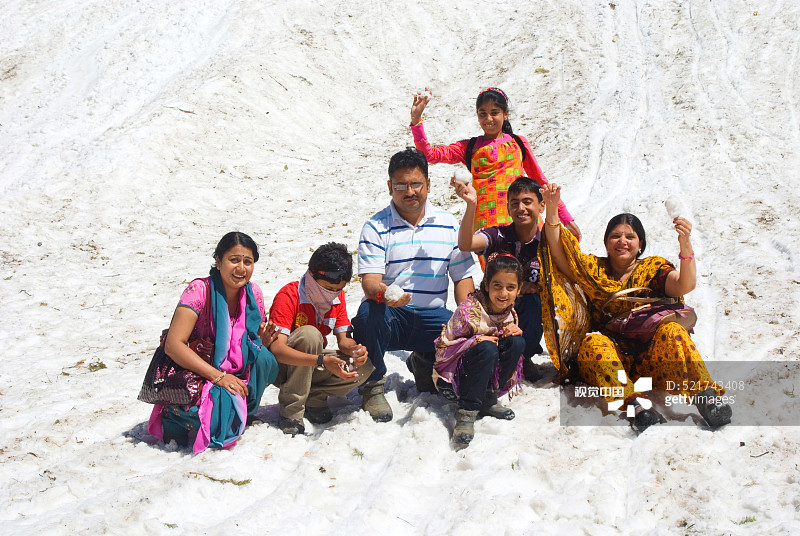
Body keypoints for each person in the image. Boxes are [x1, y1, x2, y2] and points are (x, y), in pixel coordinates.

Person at [540, 184, 732, 431]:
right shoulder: (592, 269)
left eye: (630, 237)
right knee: (592, 344)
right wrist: (553, 210)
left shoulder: (652, 268)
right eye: (615, 236)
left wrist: (685, 245)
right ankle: (637, 408)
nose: (622, 241)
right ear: (606, 242)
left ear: (640, 244)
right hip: (610, 363)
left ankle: (708, 400)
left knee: (673, 331)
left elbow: (685, 284)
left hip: (652, 360)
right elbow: (558, 253)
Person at [352, 147, 481, 422]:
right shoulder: (375, 226)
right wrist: (386, 294)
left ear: (428, 185)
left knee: (466, 330)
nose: (409, 191)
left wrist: (469, 315)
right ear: (390, 187)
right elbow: (370, 281)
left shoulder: (448, 224)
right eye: (401, 185)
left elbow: (461, 278)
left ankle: (425, 361)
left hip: (432, 317)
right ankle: (373, 386)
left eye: (416, 184)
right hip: (391, 315)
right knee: (367, 316)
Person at [148, 232, 279, 453]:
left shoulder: (253, 292)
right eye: (234, 260)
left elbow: (248, 341)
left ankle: (241, 410)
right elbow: (174, 344)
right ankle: (175, 417)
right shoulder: (199, 290)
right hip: (194, 373)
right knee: (218, 411)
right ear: (218, 261)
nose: (241, 268)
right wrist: (218, 377)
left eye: (248, 262)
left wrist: (262, 341)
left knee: (265, 359)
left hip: (232, 372)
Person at [409, 87, 581, 241]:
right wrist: (416, 121)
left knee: (535, 273)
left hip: (524, 219)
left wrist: (567, 219)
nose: (488, 118)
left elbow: (539, 181)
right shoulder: (469, 147)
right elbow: (429, 154)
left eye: (494, 112)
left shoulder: (518, 143)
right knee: (500, 276)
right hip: (487, 228)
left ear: (505, 114)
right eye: (482, 113)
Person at [268, 243, 373, 436]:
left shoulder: (336, 297)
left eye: (338, 289)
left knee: (366, 367)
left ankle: (314, 398)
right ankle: (291, 412)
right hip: (284, 367)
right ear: (312, 274)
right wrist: (321, 361)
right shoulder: (289, 295)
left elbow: (344, 340)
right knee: (310, 335)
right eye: (327, 287)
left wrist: (355, 351)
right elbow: (277, 350)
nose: (332, 293)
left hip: (313, 362)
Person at [453, 175, 546, 380]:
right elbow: (466, 244)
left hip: (525, 313)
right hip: (493, 311)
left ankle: (524, 357)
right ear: (508, 208)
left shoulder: (547, 243)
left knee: (534, 303)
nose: (521, 208)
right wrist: (471, 206)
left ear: (541, 206)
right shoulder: (497, 235)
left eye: (527, 202)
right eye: (515, 203)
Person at [434, 254, 526, 449]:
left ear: (518, 290)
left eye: (511, 287)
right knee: (486, 348)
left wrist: (513, 332)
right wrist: (474, 341)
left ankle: (489, 398)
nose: (503, 293)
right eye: (497, 286)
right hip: (458, 377)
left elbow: (505, 343)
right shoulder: (469, 310)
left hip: (484, 372)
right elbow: (445, 344)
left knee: (517, 343)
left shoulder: (509, 312)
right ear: (486, 285)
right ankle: (467, 413)